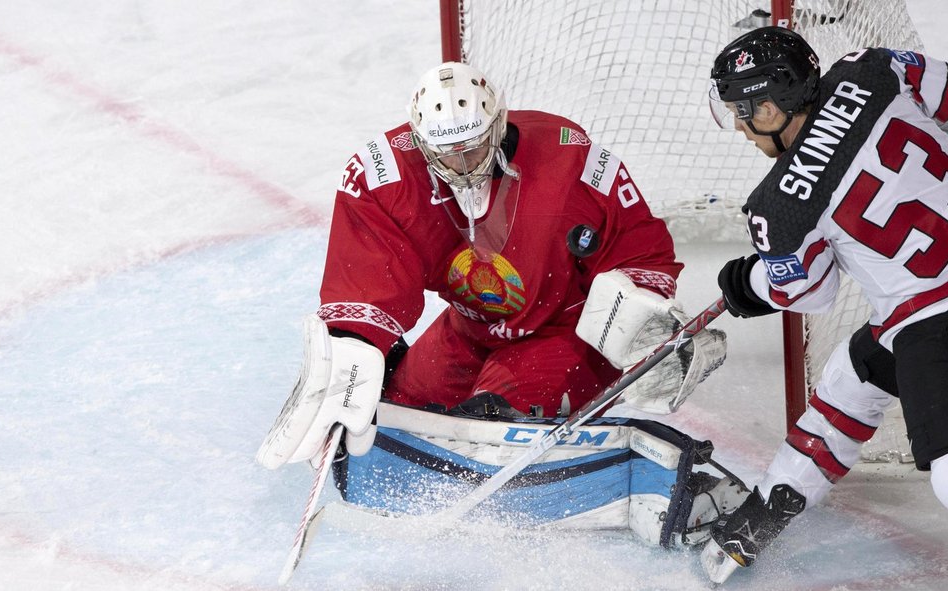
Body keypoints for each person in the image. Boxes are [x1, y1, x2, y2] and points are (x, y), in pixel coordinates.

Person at [255, 62, 728, 504]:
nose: (462, 166)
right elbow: (365, 277)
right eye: (446, 153)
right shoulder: (384, 174)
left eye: (474, 148)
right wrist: (356, 350)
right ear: (420, 142)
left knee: (492, 436)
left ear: (498, 125)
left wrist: (643, 324)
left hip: (561, 330)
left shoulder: (571, 159)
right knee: (392, 413)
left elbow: (640, 249)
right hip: (469, 329)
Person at [700, 26, 948, 589]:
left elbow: (810, 293)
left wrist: (748, 283)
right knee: (850, 377)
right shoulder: (871, 69)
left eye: (742, 111)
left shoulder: (779, 208)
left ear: (770, 105)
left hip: (947, 317)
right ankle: (763, 514)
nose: (738, 126)